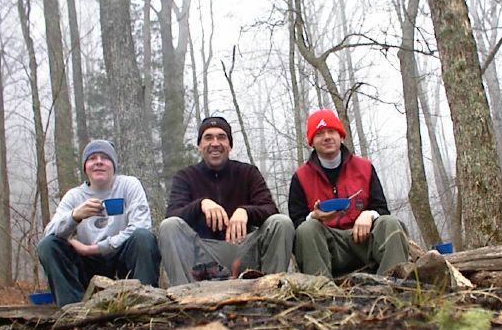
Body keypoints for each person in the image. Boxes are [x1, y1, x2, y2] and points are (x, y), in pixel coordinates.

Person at [159, 116, 294, 285]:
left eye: (221, 137)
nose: (215, 143)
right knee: (169, 226)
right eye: (208, 137)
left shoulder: (248, 173)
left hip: (245, 250)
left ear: (230, 145)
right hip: (202, 256)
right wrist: (201, 204)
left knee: (281, 222)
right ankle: (184, 297)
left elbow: (270, 209)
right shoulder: (186, 176)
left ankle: (272, 291)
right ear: (200, 145)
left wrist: (245, 211)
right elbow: (173, 215)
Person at [38, 140, 161, 307]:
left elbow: (141, 226)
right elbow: (49, 233)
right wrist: (74, 217)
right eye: (92, 158)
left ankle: (144, 304)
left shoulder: (128, 185)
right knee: (48, 245)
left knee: (143, 237)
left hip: (122, 257)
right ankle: (72, 310)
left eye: (105, 158)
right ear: (85, 167)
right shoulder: (74, 196)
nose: (98, 162)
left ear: (113, 165)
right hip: (86, 265)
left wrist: (96, 248)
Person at [288, 109, 410, 277]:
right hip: (329, 246)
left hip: (363, 240)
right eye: (320, 134)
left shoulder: (364, 167)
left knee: (391, 223)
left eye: (332, 131)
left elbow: (382, 209)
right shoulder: (301, 177)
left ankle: (393, 285)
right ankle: (321, 290)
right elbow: (296, 223)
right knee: (306, 229)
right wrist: (315, 217)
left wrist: (369, 214)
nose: (327, 137)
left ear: (341, 136)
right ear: (312, 142)